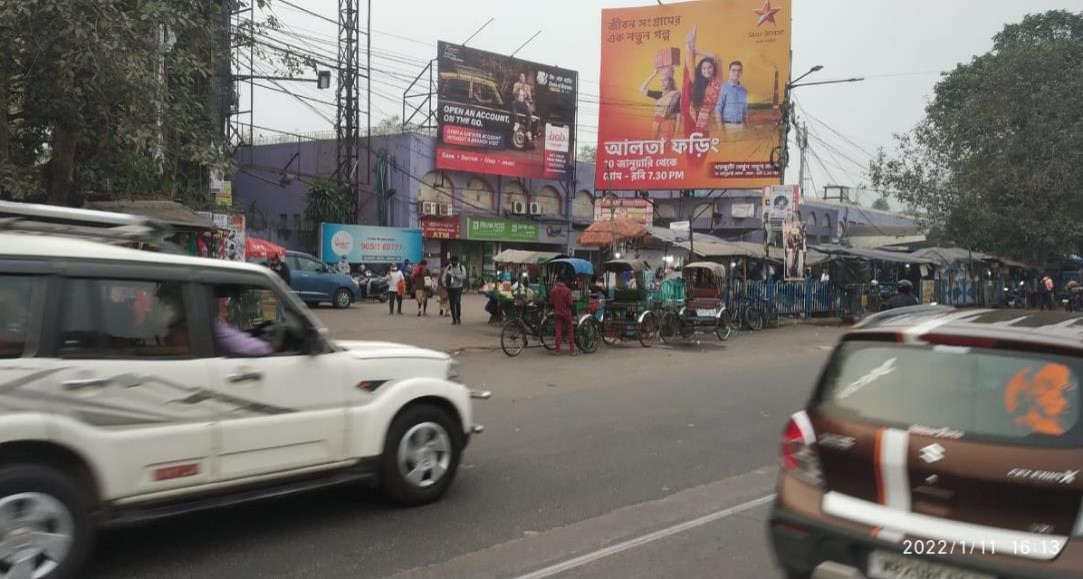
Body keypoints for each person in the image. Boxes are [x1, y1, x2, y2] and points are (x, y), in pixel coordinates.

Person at [682, 27, 723, 136]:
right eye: (704, 69)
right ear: (700, 71)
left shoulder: (717, 80)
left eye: (709, 67)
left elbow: (717, 58)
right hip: (698, 121)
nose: (707, 70)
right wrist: (688, 47)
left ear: (713, 68)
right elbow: (690, 66)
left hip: (715, 119)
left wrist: (697, 51)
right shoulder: (697, 82)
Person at [640, 68, 681, 140]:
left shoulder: (676, 95)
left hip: (671, 124)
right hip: (658, 122)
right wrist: (654, 74)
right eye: (661, 81)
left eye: (665, 80)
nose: (662, 83)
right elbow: (642, 89)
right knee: (655, 143)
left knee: (668, 146)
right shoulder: (659, 94)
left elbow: (679, 115)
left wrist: (676, 134)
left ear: (671, 81)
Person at [715, 61, 748, 131]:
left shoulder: (744, 91)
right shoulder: (723, 88)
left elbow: (745, 112)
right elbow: (717, 110)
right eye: (733, 70)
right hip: (727, 126)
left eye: (739, 70)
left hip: (741, 127)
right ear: (729, 72)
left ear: (741, 72)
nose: (736, 73)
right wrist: (720, 129)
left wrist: (746, 127)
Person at [549, 275, 575, 356]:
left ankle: (557, 351)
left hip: (557, 313)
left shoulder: (554, 290)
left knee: (558, 332)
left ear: (557, 281)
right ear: (564, 282)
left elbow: (551, 302)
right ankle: (572, 351)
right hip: (567, 313)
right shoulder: (568, 290)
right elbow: (570, 303)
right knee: (570, 331)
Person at [444, 256, 466, 325]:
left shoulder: (461, 267)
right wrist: (446, 285)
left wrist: (456, 276)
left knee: (457, 302)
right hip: (450, 288)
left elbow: (464, 276)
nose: (452, 263)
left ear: (457, 261)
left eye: (454, 262)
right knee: (451, 304)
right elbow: (444, 276)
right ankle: (454, 319)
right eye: (451, 261)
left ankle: (458, 317)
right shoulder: (449, 267)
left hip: (458, 287)